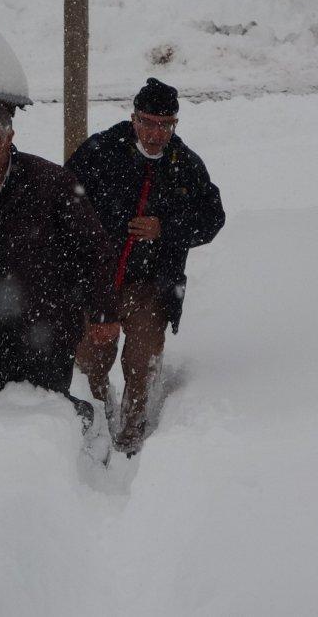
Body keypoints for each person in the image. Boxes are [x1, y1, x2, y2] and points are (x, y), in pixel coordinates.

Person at [0, 100, 121, 428]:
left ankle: (79, 430)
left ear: (9, 136)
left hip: (47, 320)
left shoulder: (52, 182)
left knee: (46, 402)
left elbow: (93, 250)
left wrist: (103, 313)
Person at [66, 78, 225, 455]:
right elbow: (65, 202)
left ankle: (130, 436)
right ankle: (99, 422)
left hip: (151, 284)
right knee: (89, 359)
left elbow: (213, 217)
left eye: (165, 125)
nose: (156, 133)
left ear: (175, 125)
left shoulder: (184, 164)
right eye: (148, 122)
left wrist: (166, 228)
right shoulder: (101, 151)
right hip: (98, 282)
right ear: (133, 118)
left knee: (142, 359)